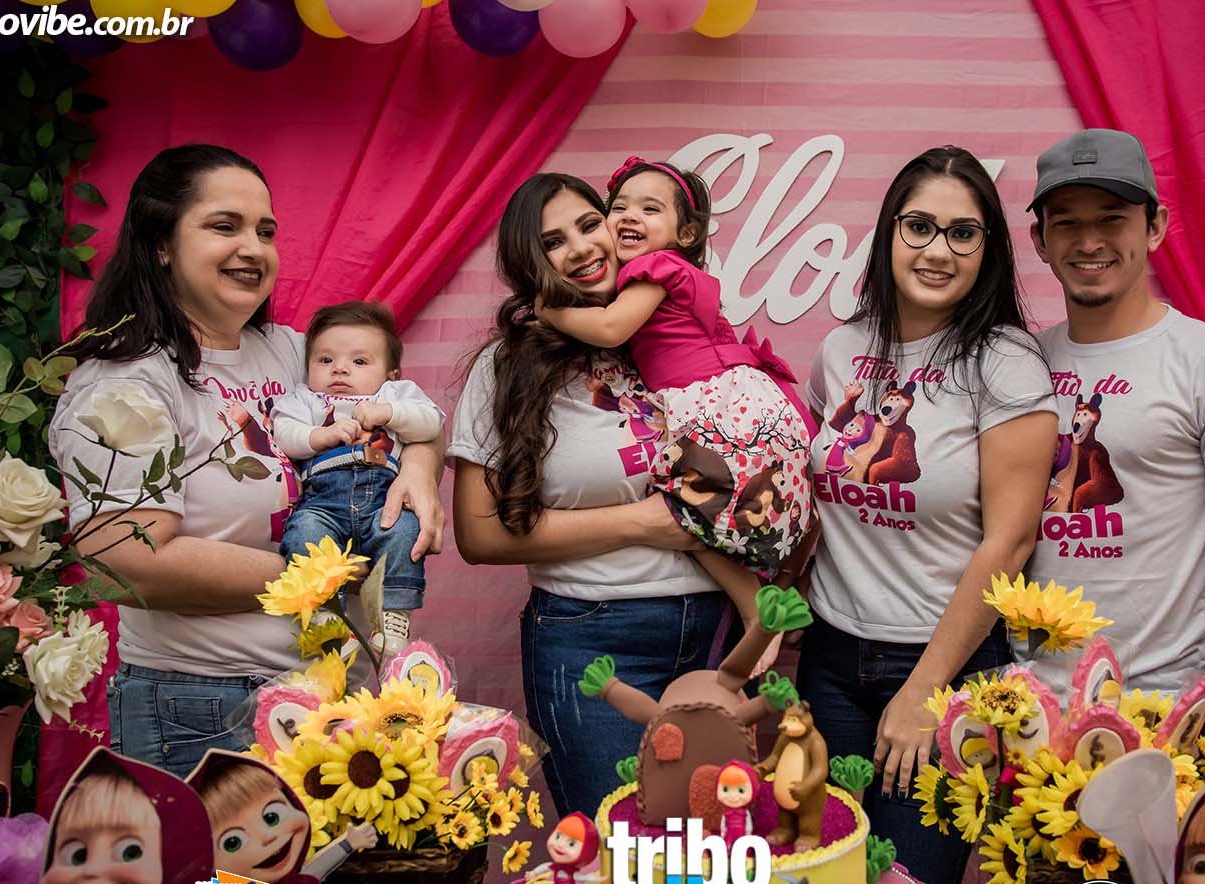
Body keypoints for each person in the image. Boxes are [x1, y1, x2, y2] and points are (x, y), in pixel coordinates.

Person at [50, 145, 444, 779]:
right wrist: (335, 577)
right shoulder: (124, 384)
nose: (253, 248)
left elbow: (403, 406)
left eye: (265, 231)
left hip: (327, 695)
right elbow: (125, 564)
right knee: (220, 856)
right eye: (224, 226)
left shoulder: (290, 350)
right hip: (200, 705)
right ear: (160, 243)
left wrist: (420, 468)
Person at [797, 147, 1057, 884]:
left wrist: (923, 691)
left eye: (962, 233)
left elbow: (1011, 541)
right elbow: (816, 499)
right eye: (919, 226)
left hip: (945, 669)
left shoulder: (1005, 362)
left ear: (987, 249)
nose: (938, 250)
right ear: (889, 232)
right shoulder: (842, 348)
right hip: (830, 660)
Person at [449, 173, 737, 819]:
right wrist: (641, 523)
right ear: (530, 263)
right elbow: (479, 534)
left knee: (703, 851)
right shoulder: (508, 365)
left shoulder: (672, 334)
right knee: (622, 854)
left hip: (713, 631)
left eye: (589, 223)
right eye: (554, 241)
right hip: (590, 638)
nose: (581, 247)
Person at [1025, 128, 1205, 724]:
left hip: (1162, 711)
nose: (1089, 241)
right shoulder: (1016, 365)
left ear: (1155, 227)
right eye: (1066, 223)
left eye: (1112, 219)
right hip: (1020, 707)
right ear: (1040, 240)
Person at [536, 157, 817, 672]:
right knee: (732, 508)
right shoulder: (660, 275)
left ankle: (755, 605)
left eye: (650, 209)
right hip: (734, 397)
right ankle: (779, 591)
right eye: (619, 207)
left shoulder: (655, 270)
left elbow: (610, 329)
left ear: (685, 234)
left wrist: (548, 309)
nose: (629, 216)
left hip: (714, 400)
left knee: (687, 504)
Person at [271, 300, 446, 657]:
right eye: (325, 360)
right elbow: (284, 432)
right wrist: (320, 435)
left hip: (383, 499)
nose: (340, 369)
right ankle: (326, 615)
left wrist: (389, 413)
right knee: (303, 534)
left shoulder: (394, 394)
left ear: (391, 373)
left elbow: (431, 422)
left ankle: (393, 616)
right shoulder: (306, 399)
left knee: (405, 533)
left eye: (359, 362)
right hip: (322, 502)